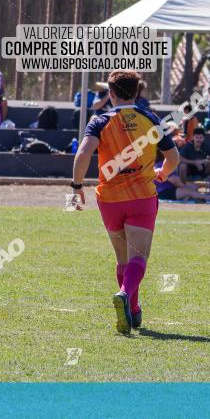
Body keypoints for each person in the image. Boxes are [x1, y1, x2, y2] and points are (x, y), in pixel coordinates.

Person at [71, 70, 180, 335]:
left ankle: (133, 309)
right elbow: (173, 156)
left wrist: (76, 186)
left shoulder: (99, 121)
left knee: (123, 260)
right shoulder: (151, 119)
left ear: (111, 93)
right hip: (142, 197)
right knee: (138, 258)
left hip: (109, 199)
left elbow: (84, 152)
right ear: (138, 92)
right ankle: (124, 295)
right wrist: (163, 174)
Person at [179, 127, 210, 193]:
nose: (199, 140)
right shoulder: (188, 146)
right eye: (197, 137)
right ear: (193, 137)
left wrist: (205, 161)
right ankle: (184, 191)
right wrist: (195, 162)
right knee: (182, 166)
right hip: (189, 170)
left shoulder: (205, 146)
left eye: (201, 138)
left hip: (203, 170)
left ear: (204, 138)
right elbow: (180, 159)